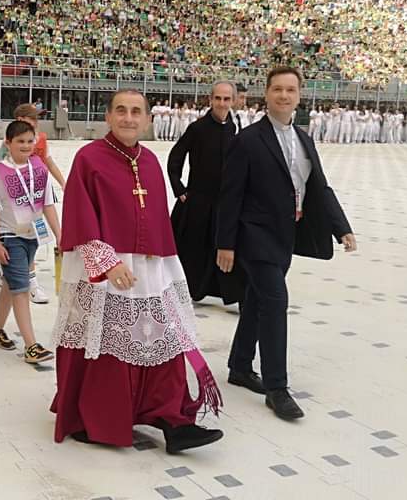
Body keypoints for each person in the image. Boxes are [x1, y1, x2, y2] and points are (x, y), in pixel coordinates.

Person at [51, 88, 223, 454]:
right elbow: (80, 214)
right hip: (106, 271)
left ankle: (174, 421)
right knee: (109, 350)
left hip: (148, 268)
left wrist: (166, 266)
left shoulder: (149, 161)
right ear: (109, 117)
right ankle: (98, 420)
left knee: (164, 343)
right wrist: (107, 263)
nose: (129, 118)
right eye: (121, 111)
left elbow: (158, 218)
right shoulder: (89, 158)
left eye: (136, 112)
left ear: (147, 119)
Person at [216, 67, 356, 420]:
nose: (283, 95)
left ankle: (239, 366)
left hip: (285, 237)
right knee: (276, 303)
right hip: (254, 237)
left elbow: (319, 188)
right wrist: (225, 244)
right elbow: (229, 196)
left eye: (290, 90)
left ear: (299, 95)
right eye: (277, 89)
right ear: (267, 94)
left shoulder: (304, 139)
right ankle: (277, 388)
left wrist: (342, 228)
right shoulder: (247, 140)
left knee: (257, 301)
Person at [0, 120, 61, 363]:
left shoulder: (39, 167)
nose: (26, 146)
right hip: (10, 237)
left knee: (11, 283)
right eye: (20, 141)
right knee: (21, 288)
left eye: (30, 141)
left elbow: (47, 202)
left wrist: (61, 235)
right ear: (8, 143)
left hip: (33, 235)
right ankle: (31, 345)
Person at [167, 81, 245, 305]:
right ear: (210, 99)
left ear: (233, 101)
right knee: (194, 249)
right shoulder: (197, 128)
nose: (222, 103)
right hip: (199, 200)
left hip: (225, 202)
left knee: (225, 247)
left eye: (226, 99)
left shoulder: (234, 127)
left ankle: (233, 294)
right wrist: (179, 188)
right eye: (218, 98)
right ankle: (188, 290)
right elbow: (175, 158)